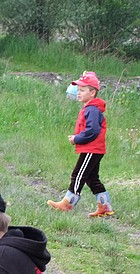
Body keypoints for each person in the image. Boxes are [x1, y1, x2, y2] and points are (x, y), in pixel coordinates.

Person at [47, 71, 114, 217]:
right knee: (92, 178)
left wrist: (76, 139)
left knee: (78, 175)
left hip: (92, 149)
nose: (78, 93)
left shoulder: (92, 110)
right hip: (94, 149)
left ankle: (67, 204)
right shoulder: (90, 108)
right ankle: (105, 207)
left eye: (82, 90)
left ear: (92, 93)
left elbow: (92, 131)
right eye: (78, 90)